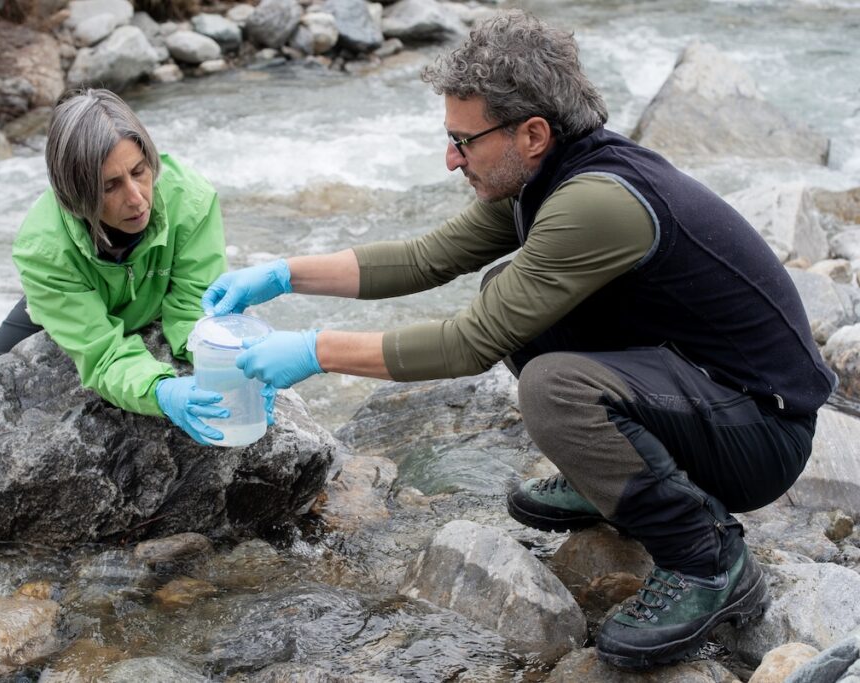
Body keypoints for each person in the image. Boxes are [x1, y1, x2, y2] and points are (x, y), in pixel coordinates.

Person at [200, 10, 836, 670]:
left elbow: (469, 344)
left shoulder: (596, 203)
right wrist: (279, 275)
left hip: (763, 432)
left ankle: (708, 559)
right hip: (705, 389)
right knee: (509, 286)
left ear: (531, 133)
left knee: (551, 385)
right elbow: (424, 257)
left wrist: (311, 351)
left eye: (462, 140)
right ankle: (612, 480)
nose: (450, 159)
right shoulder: (544, 173)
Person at [0, 88, 262, 445]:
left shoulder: (190, 201)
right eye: (110, 186)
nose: (137, 198)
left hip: (153, 296)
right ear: (76, 192)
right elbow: (102, 352)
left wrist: (238, 368)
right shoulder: (43, 249)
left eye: (139, 171)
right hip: (75, 300)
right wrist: (163, 392)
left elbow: (193, 312)